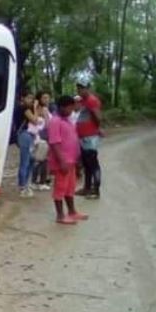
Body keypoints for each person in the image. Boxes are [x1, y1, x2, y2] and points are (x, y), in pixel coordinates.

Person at [48, 95, 88, 224]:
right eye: (70, 108)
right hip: (63, 162)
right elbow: (55, 142)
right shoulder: (55, 121)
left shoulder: (67, 120)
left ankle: (72, 211)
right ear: (62, 107)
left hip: (71, 161)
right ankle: (60, 215)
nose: (71, 110)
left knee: (70, 187)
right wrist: (62, 161)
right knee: (60, 187)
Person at [75, 82, 103, 199]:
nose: (79, 91)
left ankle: (95, 190)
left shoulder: (92, 100)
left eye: (82, 89)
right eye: (78, 89)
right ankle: (86, 188)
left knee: (93, 163)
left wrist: (96, 129)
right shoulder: (83, 101)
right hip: (82, 137)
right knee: (86, 164)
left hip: (90, 137)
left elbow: (98, 117)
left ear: (87, 89)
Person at [13, 90, 40, 197]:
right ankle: (22, 186)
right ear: (22, 98)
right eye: (28, 97)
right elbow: (35, 120)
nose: (31, 100)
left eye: (32, 98)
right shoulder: (23, 108)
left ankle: (25, 183)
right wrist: (36, 108)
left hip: (27, 135)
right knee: (25, 160)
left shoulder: (22, 108)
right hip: (24, 135)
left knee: (31, 159)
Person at [31, 91, 53, 190]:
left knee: (38, 159)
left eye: (48, 97)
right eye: (44, 98)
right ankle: (41, 182)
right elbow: (48, 125)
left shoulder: (38, 109)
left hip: (38, 136)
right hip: (43, 136)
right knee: (42, 160)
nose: (47, 100)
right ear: (39, 99)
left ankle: (35, 181)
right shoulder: (44, 109)